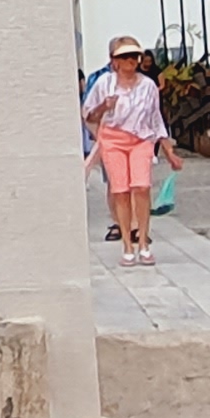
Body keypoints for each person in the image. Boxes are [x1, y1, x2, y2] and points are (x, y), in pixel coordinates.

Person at [80, 37, 178, 268]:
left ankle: (143, 241)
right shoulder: (104, 83)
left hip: (141, 139)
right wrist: (104, 106)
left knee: (141, 187)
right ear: (114, 60)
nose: (130, 61)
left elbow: (156, 119)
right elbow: (88, 115)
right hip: (113, 140)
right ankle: (127, 244)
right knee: (120, 191)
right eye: (125, 56)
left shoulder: (148, 86)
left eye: (134, 56)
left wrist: (168, 150)